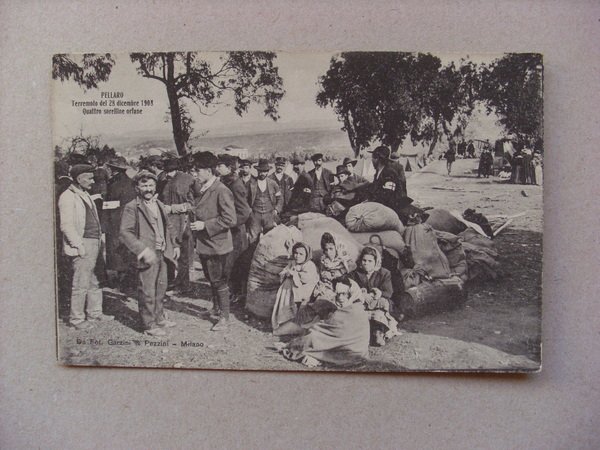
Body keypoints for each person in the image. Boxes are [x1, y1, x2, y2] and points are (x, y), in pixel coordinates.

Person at [119, 170, 180, 336]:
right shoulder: (132, 207)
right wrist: (142, 250)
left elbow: (168, 226)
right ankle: (148, 325)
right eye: (144, 185)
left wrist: (174, 245)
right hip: (148, 255)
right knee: (147, 290)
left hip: (163, 252)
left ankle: (159, 317)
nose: (148, 189)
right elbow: (125, 233)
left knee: (161, 287)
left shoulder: (159, 203)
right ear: (137, 187)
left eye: (151, 185)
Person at [58, 164, 114, 330]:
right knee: (81, 283)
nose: (92, 181)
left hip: (94, 242)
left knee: (95, 280)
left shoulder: (85, 194)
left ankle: (95, 312)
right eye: (89, 178)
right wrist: (78, 245)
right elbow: (66, 225)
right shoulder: (67, 197)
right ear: (78, 179)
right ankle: (76, 319)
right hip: (83, 243)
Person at [189, 152, 237, 331]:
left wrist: (205, 225)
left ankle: (224, 318)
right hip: (205, 244)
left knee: (219, 281)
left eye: (198, 170)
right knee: (211, 279)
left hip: (217, 245)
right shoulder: (204, 188)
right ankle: (216, 309)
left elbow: (230, 219)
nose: (195, 174)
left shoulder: (221, 190)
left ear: (209, 171)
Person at [277, 274, 370, 367]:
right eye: (338, 294)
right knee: (313, 334)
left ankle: (295, 348)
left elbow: (338, 330)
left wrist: (316, 329)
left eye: (344, 294)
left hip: (352, 349)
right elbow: (330, 328)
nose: (340, 298)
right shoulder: (345, 309)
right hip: (349, 347)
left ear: (351, 294)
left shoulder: (356, 311)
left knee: (312, 336)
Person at [216, 153, 252, 303]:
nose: (217, 168)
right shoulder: (225, 181)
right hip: (229, 230)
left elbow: (244, 212)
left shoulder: (236, 185)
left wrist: (229, 223)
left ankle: (237, 293)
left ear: (229, 168)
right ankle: (232, 292)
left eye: (220, 166)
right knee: (228, 263)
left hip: (236, 231)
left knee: (236, 263)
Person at [159, 157, 197, 294]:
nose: (168, 174)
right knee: (169, 253)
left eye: (171, 171)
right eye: (166, 171)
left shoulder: (187, 180)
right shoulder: (164, 181)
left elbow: (194, 205)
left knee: (184, 256)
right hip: (168, 223)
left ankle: (183, 285)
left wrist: (173, 208)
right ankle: (171, 282)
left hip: (183, 223)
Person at [350, 246, 399, 347]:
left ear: (376, 262)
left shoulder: (384, 273)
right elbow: (350, 288)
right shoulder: (355, 274)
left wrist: (376, 294)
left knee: (382, 306)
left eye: (370, 261)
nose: (366, 263)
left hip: (378, 304)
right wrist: (361, 294)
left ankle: (378, 331)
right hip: (362, 303)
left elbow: (388, 292)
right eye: (364, 260)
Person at [102, 156, 137, 291]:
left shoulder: (116, 184)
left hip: (116, 221)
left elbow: (114, 203)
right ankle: (125, 279)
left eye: (110, 168)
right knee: (123, 250)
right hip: (124, 221)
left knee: (117, 252)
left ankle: (121, 280)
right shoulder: (129, 182)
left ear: (114, 169)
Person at [271, 242, 319, 336]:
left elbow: (307, 278)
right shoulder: (293, 263)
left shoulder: (309, 265)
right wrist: (286, 273)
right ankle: (283, 318)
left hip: (305, 289)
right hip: (291, 289)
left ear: (307, 255)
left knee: (290, 283)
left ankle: (291, 317)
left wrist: (294, 274)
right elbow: (284, 271)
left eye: (301, 254)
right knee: (287, 283)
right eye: (296, 253)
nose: (297, 256)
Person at [246, 158, 283, 243]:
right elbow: (244, 199)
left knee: (271, 238)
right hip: (255, 215)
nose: (263, 173)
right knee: (253, 239)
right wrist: (249, 211)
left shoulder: (273, 183)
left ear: (268, 172)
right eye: (261, 171)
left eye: (265, 171)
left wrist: (276, 210)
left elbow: (280, 198)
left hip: (269, 215)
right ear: (257, 171)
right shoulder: (250, 184)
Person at [312, 232, 355, 302]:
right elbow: (322, 271)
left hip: (342, 283)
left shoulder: (343, 257)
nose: (328, 252)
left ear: (336, 247)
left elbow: (352, 266)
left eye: (331, 249)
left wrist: (339, 272)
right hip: (328, 284)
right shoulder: (324, 259)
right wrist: (325, 274)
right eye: (326, 249)